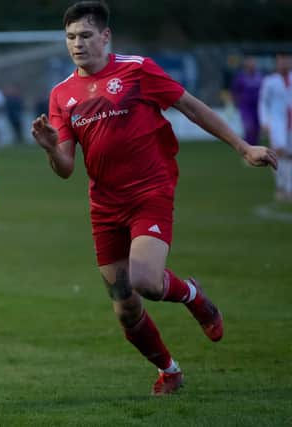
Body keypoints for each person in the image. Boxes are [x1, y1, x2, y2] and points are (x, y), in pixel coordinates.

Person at [31, 1, 277, 396]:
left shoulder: (136, 69)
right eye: (71, 37)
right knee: (125, 307)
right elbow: (66, 168)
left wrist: (243, 147)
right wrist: (49, 148)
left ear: (105, 36)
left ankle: (195, 297)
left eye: (86, 36)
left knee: (145, 280)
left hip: (150, 190)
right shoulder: (61, 95)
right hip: (105, 206)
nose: (77, 44)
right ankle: (170, 370)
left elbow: (191, 107)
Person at [258, 53, 292, 201]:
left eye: (287, 59)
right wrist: (264, 121)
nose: (284, 63)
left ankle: (289, 188)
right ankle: (280, 186)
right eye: (281, 60)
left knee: (290, 156)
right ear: (277, 63)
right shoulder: (270, 81)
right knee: (279, 153)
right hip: (277, 122)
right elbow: (263, 102)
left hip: (291, 123)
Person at [231, 56, 264, 145]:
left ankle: (256, 149)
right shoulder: (240, 77)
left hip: (258, 106)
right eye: (250, 64)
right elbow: (235, 91)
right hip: (246, 107)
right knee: (249, 128)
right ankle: (248, 148)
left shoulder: (260, 76)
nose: (252, 66)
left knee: (257, 129)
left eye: (253, 64)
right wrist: (237, 102)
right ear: (246, 65)